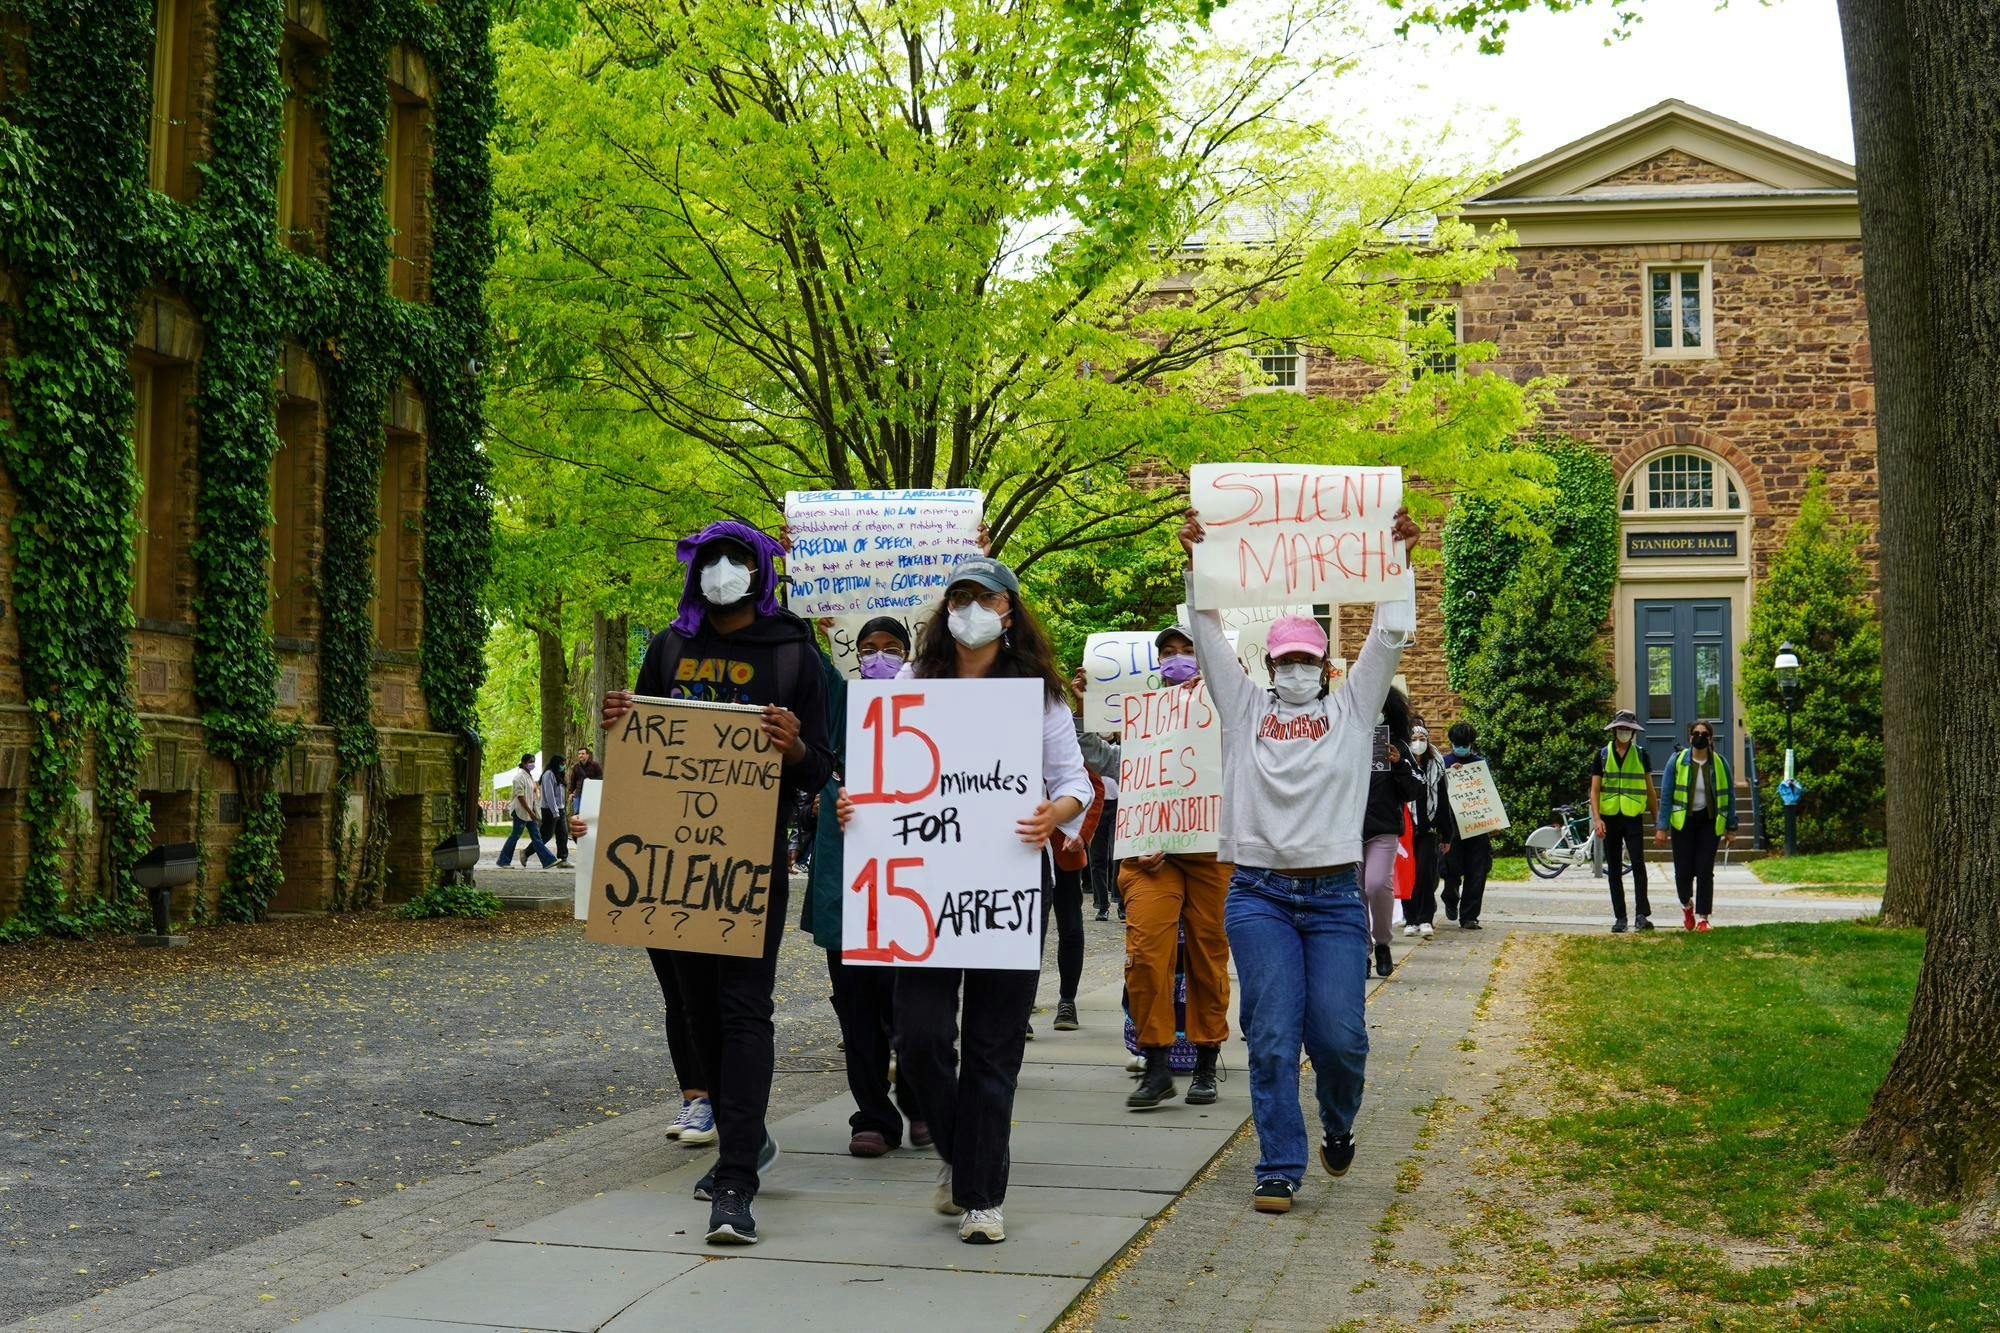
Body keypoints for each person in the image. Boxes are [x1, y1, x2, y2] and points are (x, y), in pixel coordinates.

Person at [591, 520, 836, 1247]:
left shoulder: (795, 652)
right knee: (695, 1011)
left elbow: (821, 765)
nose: (721, 569)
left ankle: (735, 1180)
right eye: (710, 558)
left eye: (736, 558)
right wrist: (617, 723)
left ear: (760, 571)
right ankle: (744, 1133)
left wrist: (793, 747)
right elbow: (635, 744)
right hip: (672, 867)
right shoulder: (669, 646)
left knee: (741, 1009)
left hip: (749, 863)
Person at [836, 556, 1092, 1246]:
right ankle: (961, 1149)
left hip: (1007, 884)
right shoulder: (916, 684)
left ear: (1009, 612)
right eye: (959, 597)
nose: (969, 609)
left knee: (993, 1044)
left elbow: (1077, 782)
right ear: (945, 612)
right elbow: (878, 777)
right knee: (918, 1039)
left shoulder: (1037, 692)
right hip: (924, 888)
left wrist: (1054, 811)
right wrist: (852, 805)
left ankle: (982, 1193)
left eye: (983, 598)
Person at [1179, 504, 1419, 1216]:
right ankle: (1279, 1161)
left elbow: (1392, 632)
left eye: (1306, 658)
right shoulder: (1244, 709)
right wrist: (1196, 562)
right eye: (1283, 658)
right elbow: (1208, 632)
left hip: (1334, 900)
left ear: (1325, 664)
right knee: (1275, 1034)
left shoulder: (1351, 711)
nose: (1293, 668)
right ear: (1268, 663)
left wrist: (1401, 558)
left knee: (1341, 1036)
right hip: (1258, 896)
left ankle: (1339, 1121)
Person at [801, 615, 930, 1158]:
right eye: (869, 647)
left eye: (892, 647)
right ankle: (873, 1114)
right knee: (856, 1006)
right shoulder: (841, 703)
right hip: (847, 877)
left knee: (916, 1006)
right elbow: (815, 666)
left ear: (911, 653)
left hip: (915, 877)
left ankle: (922, 1101)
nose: (879, 656)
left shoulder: (933, 702)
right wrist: (810, 611)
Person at [1120, 624, 1235, 1110]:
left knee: (1209, 953)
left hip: (1210, 849)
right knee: (1147, 953)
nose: (1177, 659)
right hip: (1149, 854)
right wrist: (1081, 710)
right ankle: (1157, 1061)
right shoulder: (1140, 715)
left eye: (1187, 650)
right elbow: (1115, 767)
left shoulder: (1231, 707)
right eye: (1168, 652)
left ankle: (1207, 1059)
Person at [1360, 687, 1421, 976]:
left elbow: (1415, 789)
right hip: (1348, 829)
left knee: (1376, 884)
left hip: (1383, 828)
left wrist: (1398, 764)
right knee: (1354, 893)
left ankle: (1382, 941)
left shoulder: (1398, 745)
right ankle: (1363, 951)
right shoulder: (1348, 740)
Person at [1655, 719, 1735, 931]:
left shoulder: (1720, 763)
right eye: (1695, 733)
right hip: (1683, 822)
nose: (1699, 737)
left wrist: (1731, 827)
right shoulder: (1677, 761)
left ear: (1710, 739)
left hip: (1709, 822)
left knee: (1705, 870)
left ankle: (1703, 918)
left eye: (1704, 734)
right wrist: (1661, 827)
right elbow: (1666, 795)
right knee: (1683, 872)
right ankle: (1686, 905)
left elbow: (1729, 795)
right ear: (1690, 737)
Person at [1590, 708, 1659, 933]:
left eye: (1627, 729)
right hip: (1609, 818)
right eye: (1620, 729)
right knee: (1615, 869)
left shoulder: (1641, 755)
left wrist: (1659, 821)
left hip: (1632, 817)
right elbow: (1595, 790)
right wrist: (1597, 819)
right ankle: (1620, 917)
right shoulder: (1602, 755)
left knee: (1638, 864)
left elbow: (1650, 790)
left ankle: (1641, 915)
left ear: (1633, 732)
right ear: (1614, 730)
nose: (1624, 732)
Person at [1440, 722, 1493, 929]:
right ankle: (1450, 895)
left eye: (1465, 744)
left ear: (1472, 744)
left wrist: (1494, 820)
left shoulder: (1480, 764)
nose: (1461, 748)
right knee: (1452, 868)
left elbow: (1488, 794)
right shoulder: (1443, 762)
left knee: (1477, 871)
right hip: (1451, 825)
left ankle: (1470, 916)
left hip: (1476, 824)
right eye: (1457, 744)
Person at [1402, 718, 1448, 938]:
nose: (1418, 743)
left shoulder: (1436, 766)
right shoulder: (1402, 764)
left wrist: (1447, 834)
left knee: (1425, 874)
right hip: (1405, 829)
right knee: (1407, 874)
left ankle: (1425, 917)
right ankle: (1410, 918)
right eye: (1413, 739)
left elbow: (1443, 800)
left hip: (1428, 829)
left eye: (1422, 739)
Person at [496, 754, 556, 869]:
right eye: (530, 761)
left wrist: (533, 811)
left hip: (529, 813)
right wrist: (530, 812)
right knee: (515, 836)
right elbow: (520, 797)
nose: (532, 763)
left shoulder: (529, 777)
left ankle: (548, 861)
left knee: (536, 837)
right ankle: (503, 860)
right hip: (521, 811)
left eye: (533, 761)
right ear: (524, 763)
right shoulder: (519, 778)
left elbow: (533, 795)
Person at [537, 756, 571, 869]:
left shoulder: (558, 774)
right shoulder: (548, 775)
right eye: (562, 763)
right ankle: (526, 852)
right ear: (556, 763)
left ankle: (563, 858)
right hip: (549, 810)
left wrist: (561, 809)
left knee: (563, 834)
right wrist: (555, 812)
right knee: (546, 835)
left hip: (560, 809)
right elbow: (549, 795)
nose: (563, 766)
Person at [567, 745, 602, 815]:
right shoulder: (576, 767)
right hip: (578, 793)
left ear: (587, 755)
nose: (580, 755)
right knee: (577, 814)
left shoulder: (595, 765)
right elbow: (573, 781)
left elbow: (601, 777)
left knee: (589, 814)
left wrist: (591, 780)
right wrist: (570, 793)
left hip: (591, 794)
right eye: (579, 754)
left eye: (583, 753)